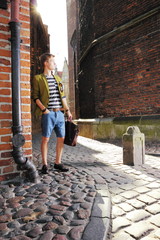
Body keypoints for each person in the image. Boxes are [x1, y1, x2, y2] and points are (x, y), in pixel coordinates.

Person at [33, 53, 72, 174]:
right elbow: (35, 96)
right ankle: (44, 164)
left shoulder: (58, 79)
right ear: (46, 63)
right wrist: (44, 110)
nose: (55, 64)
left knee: (61, 138)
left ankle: (57, 163)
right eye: (53, 62)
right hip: (48, 114)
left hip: (60, 114)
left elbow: (63, 96)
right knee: (46, 138)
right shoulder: (38, 78)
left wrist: (68, 110)